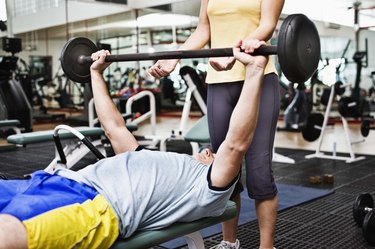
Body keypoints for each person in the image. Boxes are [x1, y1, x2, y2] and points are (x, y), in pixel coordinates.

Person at [0, 41, 268, 249]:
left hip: (91, 205)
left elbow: (235, 144)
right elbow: (114, 127)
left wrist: (255, 70)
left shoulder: (207, 188)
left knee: (6, 233)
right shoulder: (142, 158)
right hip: (49, 181)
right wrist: (95, 73)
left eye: (214, 155)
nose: (209, 150)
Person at [148, 1, 284, 249]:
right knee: (224, 169)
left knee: (260, 172)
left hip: (259, 77)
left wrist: (235, 50)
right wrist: (174, 58)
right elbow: (203, 28)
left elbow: (267, 25)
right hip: (219, 81)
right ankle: (229, 242)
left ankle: (267, 246)